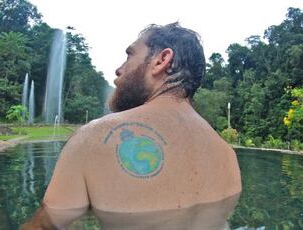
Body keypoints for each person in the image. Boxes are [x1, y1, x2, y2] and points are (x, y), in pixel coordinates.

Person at [21, 22, 242, 229]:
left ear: (161, 60)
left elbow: (43, 226)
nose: (119, 69)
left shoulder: (94, 138)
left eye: (130, 55)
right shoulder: (227, 156)